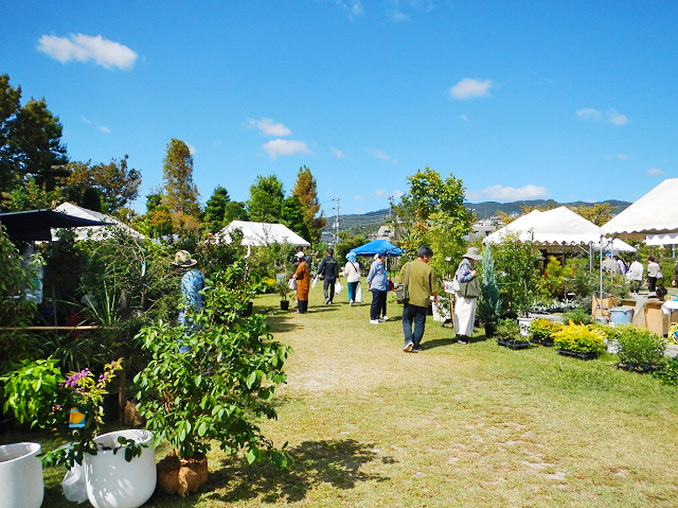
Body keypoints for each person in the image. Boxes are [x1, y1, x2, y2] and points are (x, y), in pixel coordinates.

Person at [400, 246, 438, 353]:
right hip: (423, 301)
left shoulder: (408, 265)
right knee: (419, 323)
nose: (429, 260)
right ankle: (416, 345)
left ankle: (408, 340)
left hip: (409, 299)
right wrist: (435, 297)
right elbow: (434, 288)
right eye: (429, 257)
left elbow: (401, 281)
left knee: (407, 320)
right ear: (425, 256)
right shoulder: (429, 269)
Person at [453, 246, 483, 345]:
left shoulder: (465, 264)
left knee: (463, 313)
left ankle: (461, 334)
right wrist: (472, 275)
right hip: (465, 295)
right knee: (465, 313)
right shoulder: (465, 265)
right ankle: (461, 335)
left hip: (464, 294)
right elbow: (461, 278)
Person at [173, 250, 205, 326]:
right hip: (200, 310)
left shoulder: (186, 278)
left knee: (185, 334)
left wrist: (187, 311)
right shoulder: (198, 273)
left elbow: (189, 294)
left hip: (190, 311)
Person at [366, 250, 389, 324]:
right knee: (375, 302)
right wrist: (369, 282)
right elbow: (371, 273)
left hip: (382, 286)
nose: (385, 258)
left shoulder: (382, 264)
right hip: (376, 286)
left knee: (380, 302)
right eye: (384, 257)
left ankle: (377, 316)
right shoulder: (376, 264)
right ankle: (373, 318)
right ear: (382, 257)